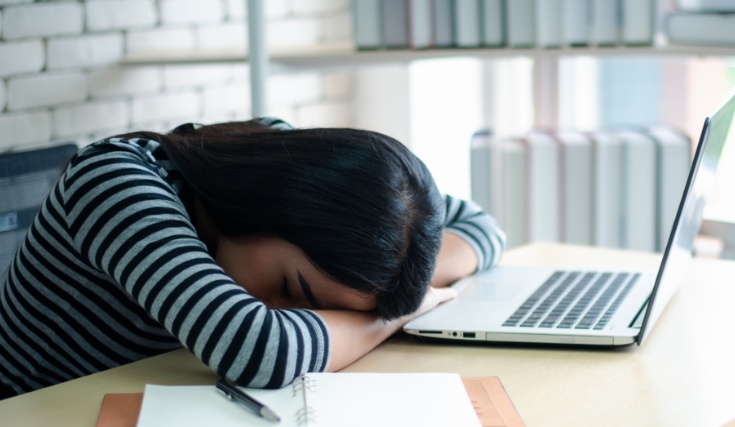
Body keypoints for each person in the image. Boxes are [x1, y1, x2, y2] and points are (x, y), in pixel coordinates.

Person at [0, 117, 506, 399]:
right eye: (292, 291)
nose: (286, 314)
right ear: (275, 202)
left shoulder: (282, 146)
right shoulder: (114, 183)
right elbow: (260, 348)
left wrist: (392, 291)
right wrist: (397, 314)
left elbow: (482, 228)